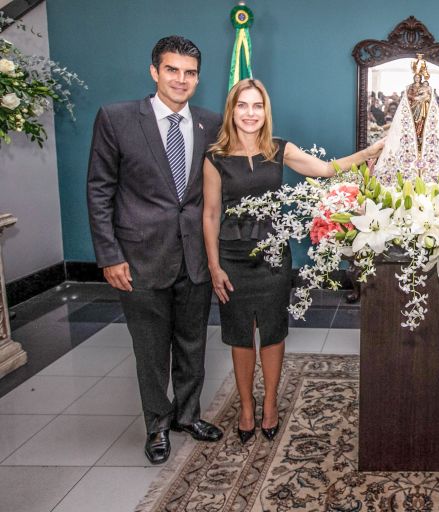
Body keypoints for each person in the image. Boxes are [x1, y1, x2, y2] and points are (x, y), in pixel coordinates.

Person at [202, 78, 383, 443]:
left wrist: (368, 153)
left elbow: (326, 169)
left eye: (257, 106)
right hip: (232, 256)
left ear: (265, 111)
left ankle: (270, 403)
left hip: (272, 255)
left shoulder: (279, 149)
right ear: (232, 111)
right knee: (240, 336)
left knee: (272, 331)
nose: (250, 113)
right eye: (243, 106)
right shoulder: (215, 157)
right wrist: (214, 266)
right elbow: (209, 214)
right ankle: (247, 407)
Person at [87, 36, 223, 465]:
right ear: (154, 71)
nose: (181, 79)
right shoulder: (117, 118)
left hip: (194, 257)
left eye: (190, 72)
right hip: (139, 258)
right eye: (172, 70)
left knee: (192, 344)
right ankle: (158, 425)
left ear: (198, 78)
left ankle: (187, 415)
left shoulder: (210, 123)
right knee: (150, 350)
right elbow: (99, 190)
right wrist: (109, 255)